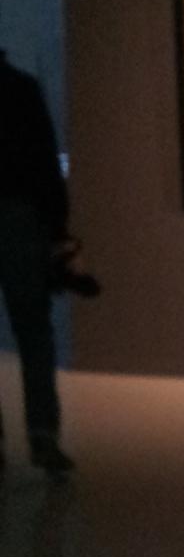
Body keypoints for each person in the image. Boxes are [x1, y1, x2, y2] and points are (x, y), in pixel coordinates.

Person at [0, 47, 76, 476]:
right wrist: (58, 227)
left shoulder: (23, 89)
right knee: (34, 331)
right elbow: (46, 164)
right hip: (22, 219)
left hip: (21, 218)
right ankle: (43, 438)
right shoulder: (22, 90)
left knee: (33, 332)